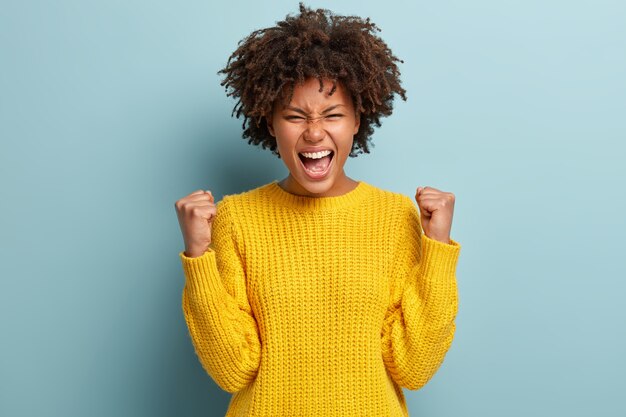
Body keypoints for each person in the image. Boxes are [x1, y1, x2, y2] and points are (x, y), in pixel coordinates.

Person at [174, 3, 461, 416]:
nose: (313, 131)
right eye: (294, 116)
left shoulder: (396, 216)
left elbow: (413, 368)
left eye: (333, 114)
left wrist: (437, 250)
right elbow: (233, 371)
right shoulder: (236, 218)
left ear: (358, 119)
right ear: (269, 122)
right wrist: (199, 257)